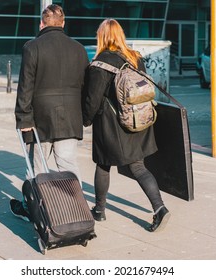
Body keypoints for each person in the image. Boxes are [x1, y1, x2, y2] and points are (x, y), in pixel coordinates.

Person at [82, 19, 170, 232]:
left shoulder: (100, 63)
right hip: (138, 121)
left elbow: (92, 99)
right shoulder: (135, 58)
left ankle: (100, 210)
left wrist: (85, 120)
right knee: (138, 166)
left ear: (101, 36)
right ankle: (159, 208)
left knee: (103, 164)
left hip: (111, 126)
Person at [10, 4, 89, 221]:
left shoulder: (32, 47)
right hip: (70, 117)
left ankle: (35, 211)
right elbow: (85, 87)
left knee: (37, 167)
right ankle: (78, 211)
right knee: (68, 165)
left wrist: (23, 117)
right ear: (63, 23)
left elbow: (25, 86)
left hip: (39, 118)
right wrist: (84, 115)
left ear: (41, 23)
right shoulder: (78, 49)